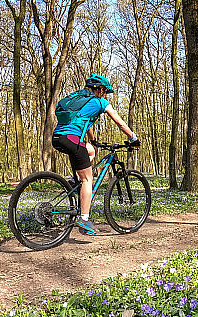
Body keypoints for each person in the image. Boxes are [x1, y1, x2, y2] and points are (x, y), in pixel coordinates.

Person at [52, 74, 140, 236]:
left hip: (58, 138)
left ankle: (73, 181)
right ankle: (84, 219)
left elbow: (86, 122)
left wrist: (93, 141)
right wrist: (133, 138)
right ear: (100, 89)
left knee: (91, 150)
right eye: (105, 91)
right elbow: (120, 123)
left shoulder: (78, 98)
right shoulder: (100, 102)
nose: (106, 95)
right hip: (71, 139)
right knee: (88, 179)